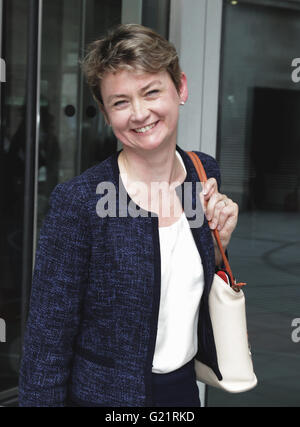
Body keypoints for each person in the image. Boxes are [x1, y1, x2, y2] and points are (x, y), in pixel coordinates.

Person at [19, 24, 238, 407]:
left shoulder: (204, 173)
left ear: (180, 88)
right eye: (120, 102)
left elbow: (181, 284)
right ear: (105, 113)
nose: (139, 113)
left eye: (151, 92)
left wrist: (221, 243)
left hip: (183, 393)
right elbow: (46, 343)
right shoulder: (81, 202)